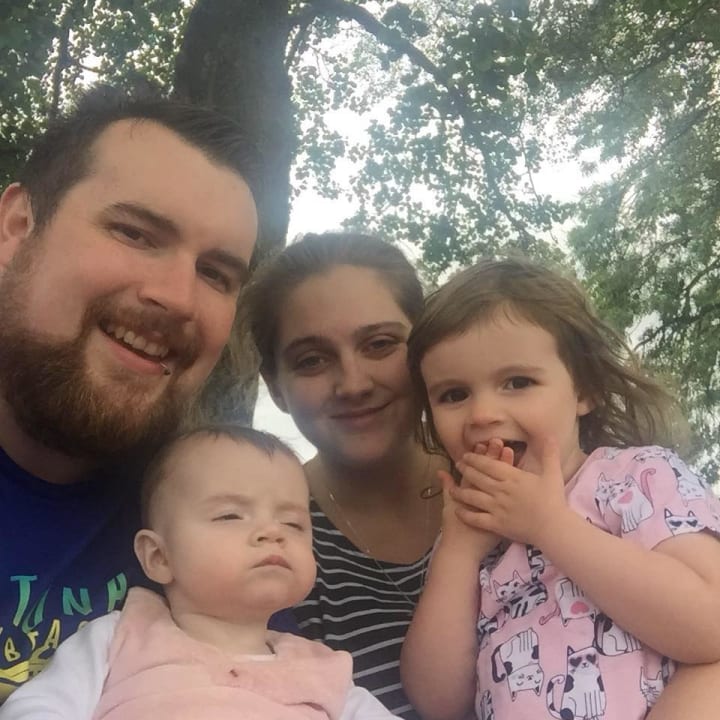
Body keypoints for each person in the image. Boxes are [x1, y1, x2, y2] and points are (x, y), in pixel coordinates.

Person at [0, 85, 261, 700]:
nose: (178, 297)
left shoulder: (217, 521)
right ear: (16, 228)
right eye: (136, 234)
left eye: (215, 273)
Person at [400, 257, 720, 720]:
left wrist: (550, 527)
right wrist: (458, 555)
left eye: (518, 382)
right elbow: (438, 702)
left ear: (584, 390)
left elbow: (711, 623)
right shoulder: (467, 536)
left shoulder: (639, 477)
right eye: (453, 394)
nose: (482, 414)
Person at [0, 425, 398, 719]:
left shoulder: (324, 670)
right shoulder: (122, 636)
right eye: (230, 515)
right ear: (159, 557)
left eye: (293, 523)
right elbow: (38, 707)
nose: (272, 532)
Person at [243, 232, 448, 719]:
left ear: (427, 349)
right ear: (276, 387)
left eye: (379, 344)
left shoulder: (525, 487)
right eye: (312, 360)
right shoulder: (260, 546)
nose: (353, 383)